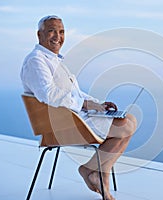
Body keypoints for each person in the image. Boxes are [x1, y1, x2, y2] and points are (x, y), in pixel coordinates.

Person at [20, 15, 137, 200]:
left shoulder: (55, 59)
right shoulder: (36, 61)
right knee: (127, 125)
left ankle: (99, 171)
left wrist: (98, 104)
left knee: (128, 121)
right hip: (61, 124)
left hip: (74, 116)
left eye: (61, 31)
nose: (57, 36)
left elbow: (76, 93)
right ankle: (92, 170)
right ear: (39, 34)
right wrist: (86, 105)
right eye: (51, 31)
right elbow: (48, 94)